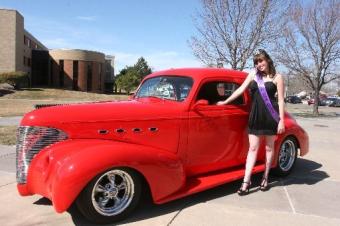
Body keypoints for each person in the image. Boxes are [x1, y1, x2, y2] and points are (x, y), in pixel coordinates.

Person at [216, 49, 285, 195]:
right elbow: (240, 90)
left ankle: (265, 177)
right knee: (252, 149)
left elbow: (280, 100)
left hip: (271, 117)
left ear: (267, 60)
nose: (259, 64)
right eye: (256, 62)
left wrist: (281, 121)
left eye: (261, 61)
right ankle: (246, 181)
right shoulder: (253, 75)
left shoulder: (278, 77)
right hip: (255, 117)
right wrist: (225, 101)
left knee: (269, 148)